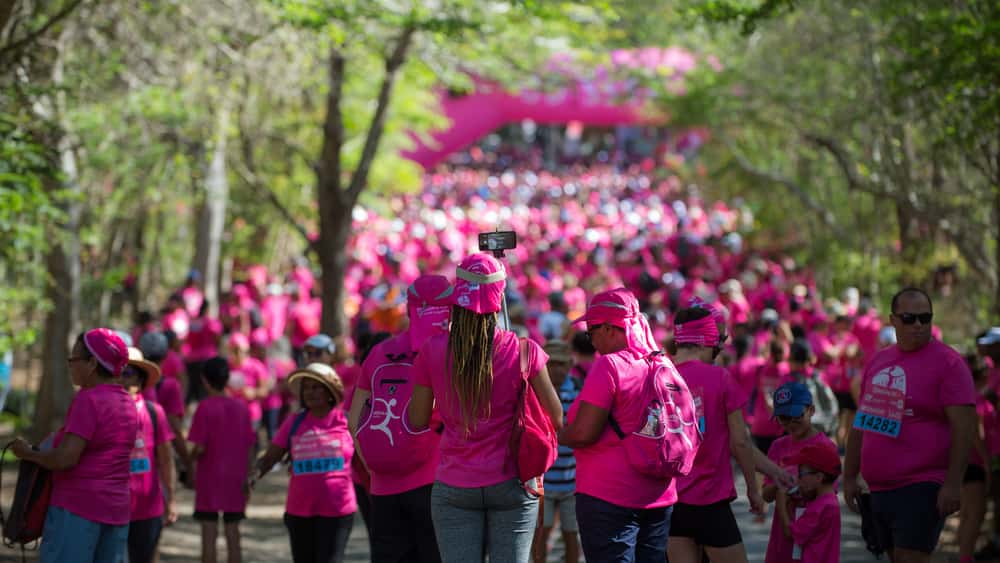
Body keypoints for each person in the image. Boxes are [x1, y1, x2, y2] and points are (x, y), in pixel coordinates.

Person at [408, 253, 563, 563]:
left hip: (454, 483)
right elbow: (557, 418)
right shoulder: (524, 350)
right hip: (512, 481)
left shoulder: (432, 350)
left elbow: (417, 419)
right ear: (499, 297)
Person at [843, 287, 977, 562]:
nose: (918, 324)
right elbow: (863, 422)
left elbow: (965, 428)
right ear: (893, 320)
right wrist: (849, 475)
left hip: (923, 483)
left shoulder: (949, 363)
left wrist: (953, 484)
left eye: (925, 318)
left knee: (909, 557)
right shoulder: (879, 361)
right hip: (879, 487)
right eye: (909, 318)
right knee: (897, 557)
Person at [558, 287, 689, 563]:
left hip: (609, 497)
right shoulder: (661, 361)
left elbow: (583, 434)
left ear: (609, 328)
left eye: (591, 330)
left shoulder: (610, 365)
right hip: (660, 496)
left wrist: (553, 433)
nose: (591, 339)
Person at [348, 275, 451, 563]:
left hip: (383, 485)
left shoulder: (379, 352)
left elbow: (354, 420)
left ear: (408, 309)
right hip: (435, 482)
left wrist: (373, 466)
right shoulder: (450, 351)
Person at [11, 328, 137, 563]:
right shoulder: (127, 402)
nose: (70, 365)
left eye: (74, 359)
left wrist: (27, 453)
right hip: (116, 510)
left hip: (77, 510)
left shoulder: (88, 399)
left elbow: (65, 459)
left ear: (92, 363)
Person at [667, 307, 763, 563]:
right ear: (705, 341)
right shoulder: (720, 377)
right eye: (718, 341)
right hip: (710, 499)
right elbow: (740, 441)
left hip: (670, 501)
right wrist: (753, 489)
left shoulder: (659, 374)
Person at [253, 363, 356, 563]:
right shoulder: (293, 422)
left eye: (317, 387)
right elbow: (270, 458)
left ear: (330, 392)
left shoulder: (347, 422)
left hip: (338, 511)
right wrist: (253, 476)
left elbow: (363, 463)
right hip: (299, 512)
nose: (310, 392)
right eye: (306, 388)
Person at [189, 357, 256, 563]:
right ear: (227, 379)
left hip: (209, 479)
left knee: (208, 534)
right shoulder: (242, 407)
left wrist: (189, 460)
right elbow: (251, 446)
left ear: (204, 380)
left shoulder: (204, 408)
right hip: (236, 478)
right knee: (233, 532)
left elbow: (199, 447)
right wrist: (249, 475)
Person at [762, 381, 837, 563]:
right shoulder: (778, 446)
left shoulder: (826, 447)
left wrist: (802, 483)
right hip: (782, 534)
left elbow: (828, 495)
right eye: (783, 418)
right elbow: (766, 495)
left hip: (814, 534)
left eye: (796, 415)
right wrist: (781, 484)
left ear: (811, 410)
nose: (791, 423)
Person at [123, 347, 176, 563]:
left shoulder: (154, 412)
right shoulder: (102, 410)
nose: (121, 378)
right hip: (110, 506)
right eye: (116, 372)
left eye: (127, 373)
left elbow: (166, 459)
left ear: (140, 378)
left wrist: (171, 499)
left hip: (147, 507)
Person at [531, 340, 582, 563]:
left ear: (570, 364)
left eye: (562, 364)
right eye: (552, 364)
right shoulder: (536, 390)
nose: (557, 369)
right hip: (543, 480)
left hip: (572, 480)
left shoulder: (579, 390)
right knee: (541, 534)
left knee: (572, 534)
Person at [139, 331, 193, 484]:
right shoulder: (170, 386)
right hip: (158, 459)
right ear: (165, 356)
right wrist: (188, 463)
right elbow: (174, 428)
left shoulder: (130, 385)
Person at [777, 442, 842, 563]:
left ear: (819, 477)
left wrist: (781, 505)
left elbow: (790, 534)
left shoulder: (819, 507)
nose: (798, 479)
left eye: (801, 474)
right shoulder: (828, 501)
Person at [959, 354, 993, 563]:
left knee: (966, 513)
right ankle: (966, 557)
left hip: (963, 462)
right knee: (975, 514)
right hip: (974, 463)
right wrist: (987, 462)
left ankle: (964, 555)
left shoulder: (962, 397)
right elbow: (975, 433)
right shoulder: (976, 400)